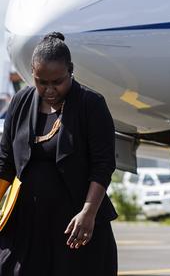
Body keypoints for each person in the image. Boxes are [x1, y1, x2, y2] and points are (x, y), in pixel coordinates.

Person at [0, 32, 118, 275]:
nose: (50, 89)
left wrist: (88, 212)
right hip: (28, 224)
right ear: (32, 73)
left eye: (58, 81)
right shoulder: (21, 102)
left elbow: (103, 165)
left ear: (70, 71)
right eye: (42, 82)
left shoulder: (91, 104)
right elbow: (5, 162)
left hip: (75, 225)